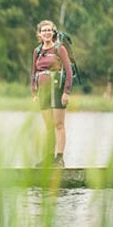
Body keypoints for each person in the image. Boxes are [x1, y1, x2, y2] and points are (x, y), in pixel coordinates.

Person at [30, 19, 72, 168]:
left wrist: (66, 92)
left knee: (58, 124)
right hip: (43, 92)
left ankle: (59, 158)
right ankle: (48, 158)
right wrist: (34, 91)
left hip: (58, 89)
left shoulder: (59, 49)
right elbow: (34, 72)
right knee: (48, 126)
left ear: (53, 32)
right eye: (44, 30)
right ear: (39, 34)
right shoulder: (37, 51)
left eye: (49, 30)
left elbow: (68, 71)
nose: (47, 33)